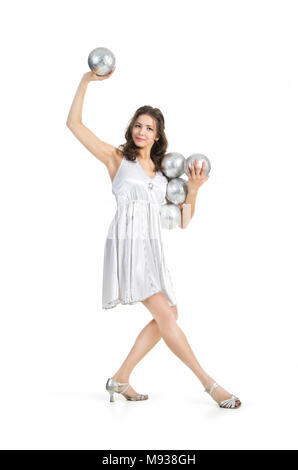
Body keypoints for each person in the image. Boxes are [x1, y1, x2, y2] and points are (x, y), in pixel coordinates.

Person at [66, 67, 241, 409]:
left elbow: (184, 222)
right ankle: (210, 385)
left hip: (151, 249)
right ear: (131, 130)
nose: (142, 131)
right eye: (138, 125)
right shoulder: (116, 159)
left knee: (169, 314)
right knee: (167, 313)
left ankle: (120, 378)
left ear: (158, 136)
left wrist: (193, 190)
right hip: (127, 246)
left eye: (149, 128)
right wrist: (86, 81)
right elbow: (74, 125)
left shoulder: (163, 176)